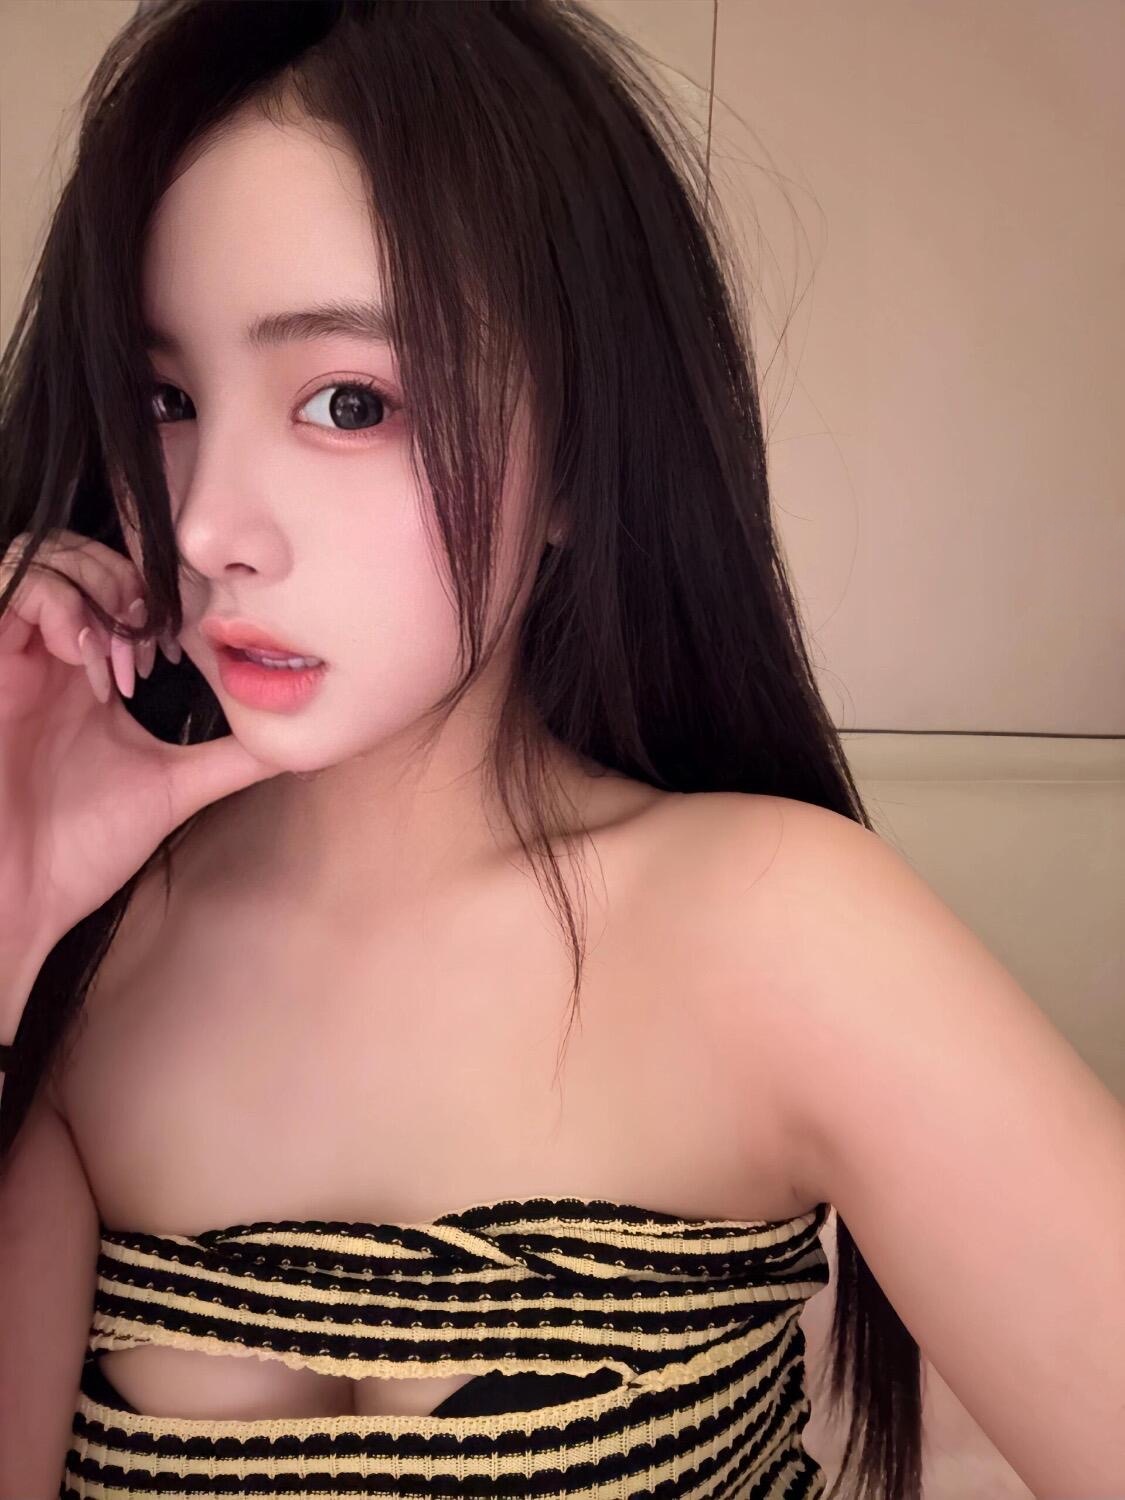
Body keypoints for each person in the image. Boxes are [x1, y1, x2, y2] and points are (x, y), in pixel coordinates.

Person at [0, 3, 1121, 1498]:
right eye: (166, 400)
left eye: (348, 403)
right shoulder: (83, 959)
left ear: (577, 463)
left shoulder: (776, 930)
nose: (205, 525)